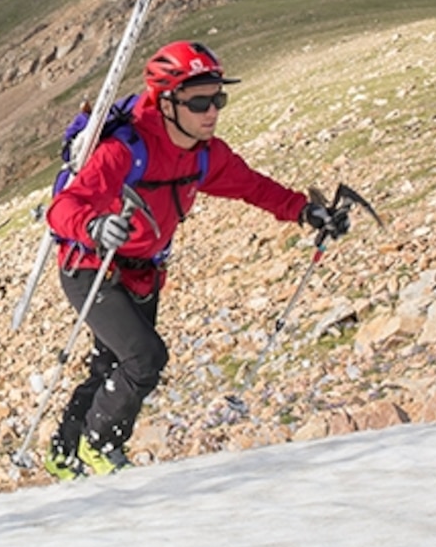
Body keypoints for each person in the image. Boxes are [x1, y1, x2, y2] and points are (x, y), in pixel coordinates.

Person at [42, 41, 345, 479]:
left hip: (144, 272)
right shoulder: (126, 149)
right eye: (199, 102)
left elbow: (253, 187)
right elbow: (63, 208)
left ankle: (63, 454)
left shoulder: (205, 154)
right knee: (145, 358)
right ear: (167, 103)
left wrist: (304, 211)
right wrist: (94, 226)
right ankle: (101, 446)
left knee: (111, 366)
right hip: (92, 265)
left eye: (218, 99)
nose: (212, 111)